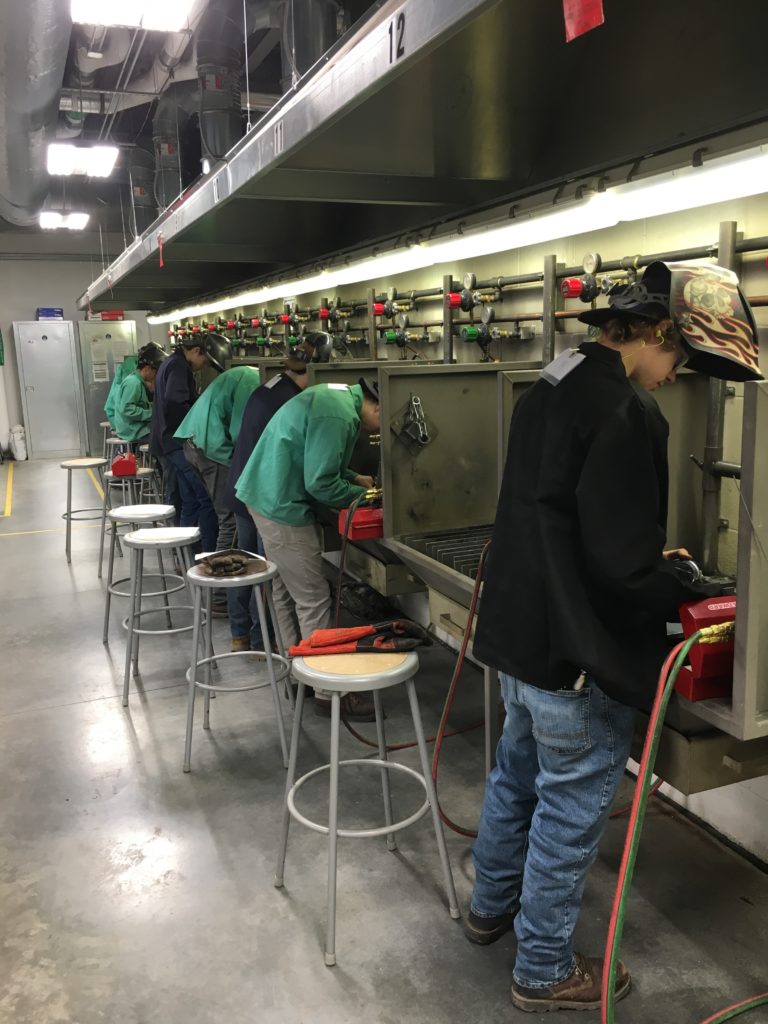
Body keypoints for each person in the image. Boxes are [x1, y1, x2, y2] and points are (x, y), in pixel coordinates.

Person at [468, 260, 761, 1013]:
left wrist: (638, 558)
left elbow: (559, 512)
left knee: (514, 780)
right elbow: (625, 574)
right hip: (574, 655)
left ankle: (488, 908)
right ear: (660, 332)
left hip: (519, 637)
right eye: (680, 359)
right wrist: (685, 595)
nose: (675, 376)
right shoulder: (628, 413)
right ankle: (542, 971)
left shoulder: (556, 383)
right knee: (568, 815)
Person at [235, 375, 380, 721]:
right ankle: (330, 692)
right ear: (376, 404)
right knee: (314, 597)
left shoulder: (336, 398)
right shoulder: (340, 415)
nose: (378, 433)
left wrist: (350, 477)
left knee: (285, 590)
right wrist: (365, 495)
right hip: (282, 505)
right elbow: (320, 483)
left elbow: (315, 455)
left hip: (266, 493)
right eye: (382, 422)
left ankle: (298, 674)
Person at [223, 341, 314, 653]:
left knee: (246, 562)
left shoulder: (270, 386)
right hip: (262, 496)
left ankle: (240, 635)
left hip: (241, 485)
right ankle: (265, 642)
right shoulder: (293, 400)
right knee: (268, 573)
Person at [150, 332, 225, 552]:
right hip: (176, 442)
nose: (203, 367)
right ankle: (209, 554)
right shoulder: (179, 367)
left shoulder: (170, 362)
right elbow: (175, 401)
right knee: (206, 499)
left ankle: (186, 552)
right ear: (195, 351)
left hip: (168, 441)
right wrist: (196, 423)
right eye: (205, 361)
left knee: (190, 499)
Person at [112, 343, 165, 445]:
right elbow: (127, 409)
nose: (156, 375)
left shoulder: (137, 381)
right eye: (156, 371)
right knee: (164, 439)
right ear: (147, 368)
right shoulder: (133, 383)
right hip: (132, 430)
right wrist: (152, 413)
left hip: (133, 427)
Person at [104, 352, 137, 428]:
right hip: (117, 418)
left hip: (116, 415)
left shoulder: (129, 365)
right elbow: (127, 409)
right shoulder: (130, 369)